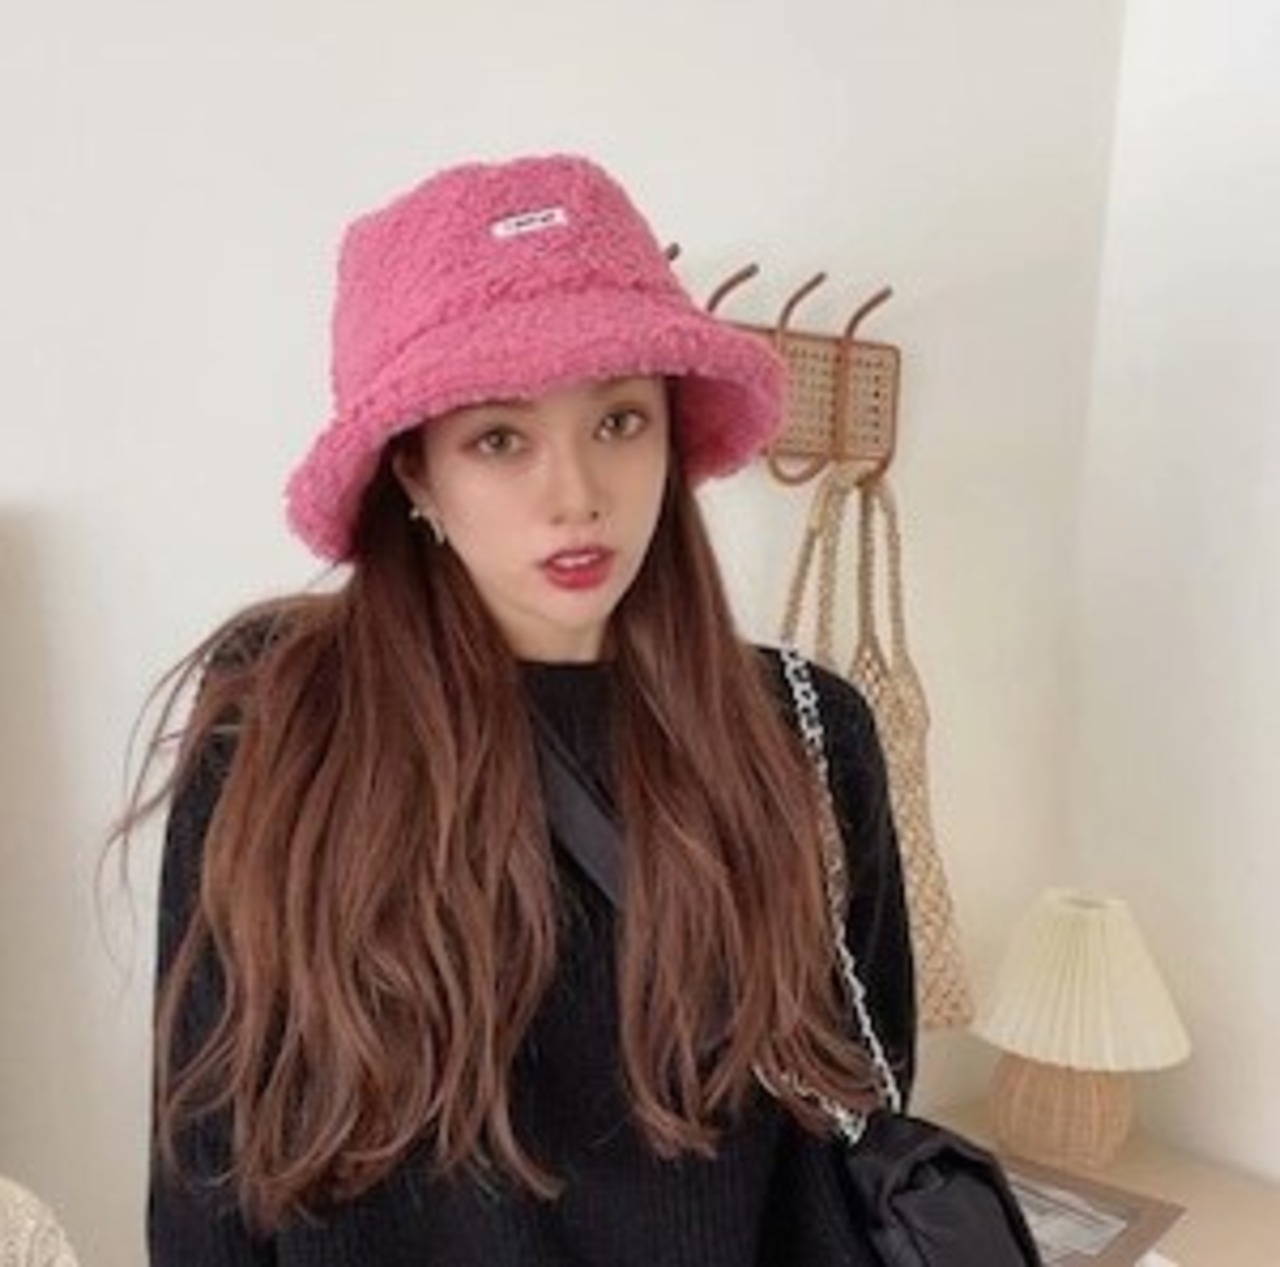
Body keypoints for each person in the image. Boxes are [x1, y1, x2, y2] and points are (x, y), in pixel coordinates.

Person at [124, 153, 916, 1266]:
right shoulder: (277, 719)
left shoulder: (807, 732)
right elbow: (208, 1173)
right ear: (415, 472)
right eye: (499, 439)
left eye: (619, 421)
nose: (575, 494)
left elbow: (851, 1138)